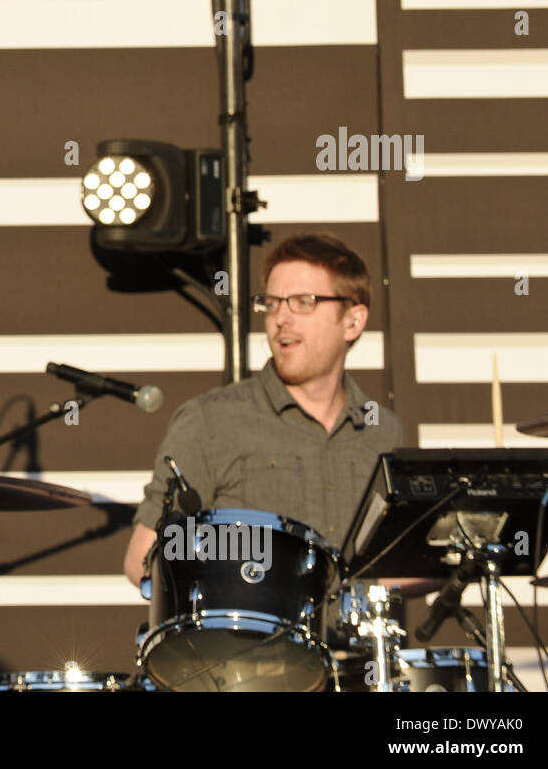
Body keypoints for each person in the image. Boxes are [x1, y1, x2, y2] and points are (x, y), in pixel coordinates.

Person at [123, 233, 413, 590]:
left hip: (358, 647)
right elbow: (143, 557)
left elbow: (401, 566)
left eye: (303, 302)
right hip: (248, 644)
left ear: (353, 321)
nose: (281, 319)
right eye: (272, 303)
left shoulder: (383, 431)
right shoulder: (210, 420)